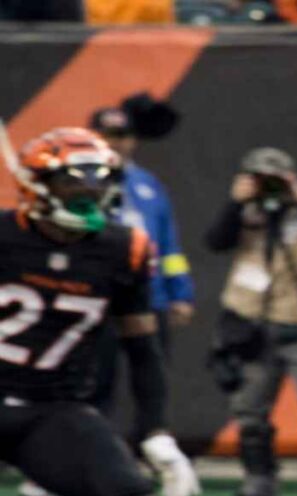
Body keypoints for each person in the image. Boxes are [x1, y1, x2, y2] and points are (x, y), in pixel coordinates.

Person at [0, 127, 174, 496]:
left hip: (51, 410)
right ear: (37, 184)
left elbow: (142, 348)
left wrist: (154, 429)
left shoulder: (124, 249)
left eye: (99, 177)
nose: (89, 189)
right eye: (74, 179)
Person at [205, 147, 297, 496]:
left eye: (274, 179)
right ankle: (259, 488)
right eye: (258, 178)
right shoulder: (244, 211)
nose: (266, 186)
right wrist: (236, 204)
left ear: (291, 177)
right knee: (250, 413)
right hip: (252, 326)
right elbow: (215, 242)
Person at [86, 107, 196, 445]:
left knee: (151, 381)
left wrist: (180, 293)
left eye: (121, 136)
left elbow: (168, 246)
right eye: (106, 135)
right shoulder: (80, 182)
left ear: (133, 141)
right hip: (99, 298)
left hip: (150, 299)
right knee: (94, 381)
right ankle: (88, 451)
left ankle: (149, 451)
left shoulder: (148, 185)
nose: (114, 143)